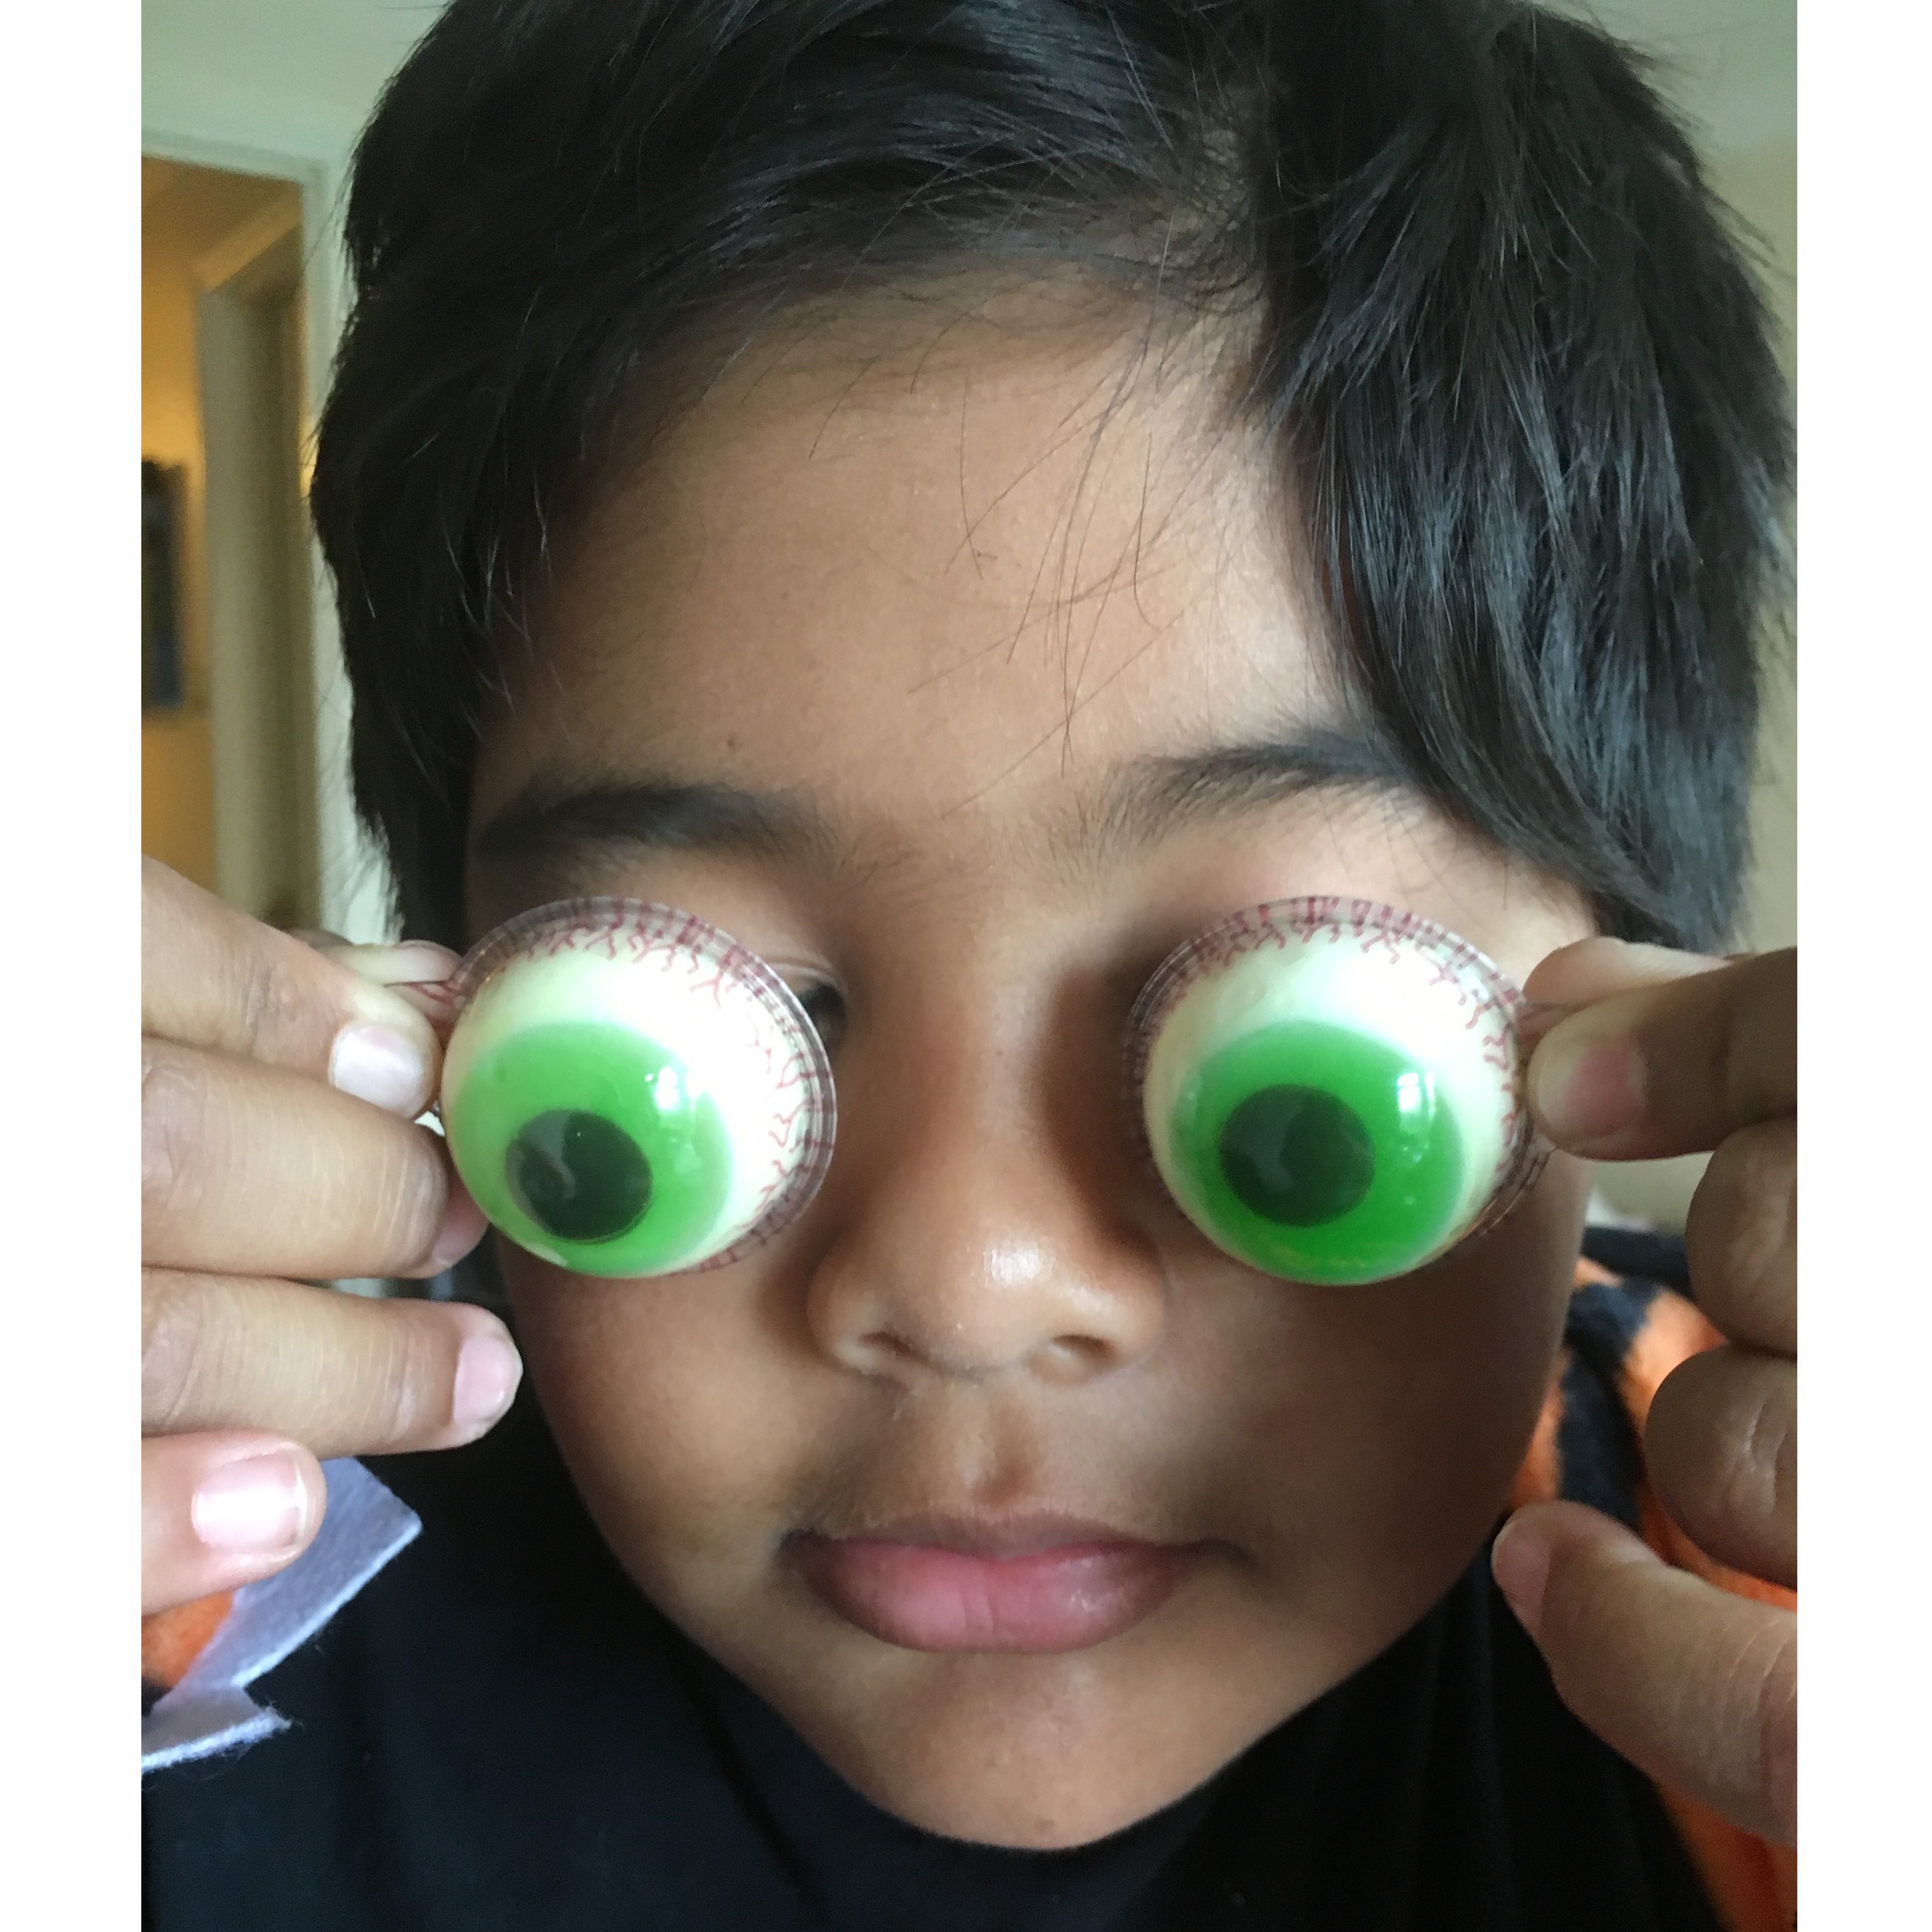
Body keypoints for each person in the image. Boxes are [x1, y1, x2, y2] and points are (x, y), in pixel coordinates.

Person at [141, 1, 1796, 1925]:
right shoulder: (170, 1622)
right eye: (664, 1065)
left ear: (1627, 1022)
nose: (967, 1285)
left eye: (1304, 1099)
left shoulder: (1791, 1600)